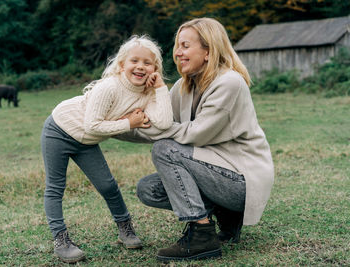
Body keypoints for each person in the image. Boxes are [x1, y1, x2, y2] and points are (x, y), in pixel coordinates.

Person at [117, 18, 274, 262]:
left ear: (209, 51)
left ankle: (202, 234)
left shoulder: (229, 82)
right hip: (214, 171)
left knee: (165, 150)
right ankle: (226, 215)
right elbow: (157, 124)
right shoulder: (183, 85)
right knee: (148, 189)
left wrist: (150, 124)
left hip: (242, 179)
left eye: (185, 46)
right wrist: (114, 127)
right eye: (177, 46)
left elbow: (195, 134)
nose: (177, 53)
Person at [40, 35, 173, 263]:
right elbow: (93, 124)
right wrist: (129, 123)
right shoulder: (109, 87)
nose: (140, 66)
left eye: (147, 63)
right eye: (134, 61)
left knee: (108, 185)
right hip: (59, 129)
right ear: (122, 65)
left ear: (155, 69)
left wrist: (160, 87)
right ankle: (61, 241)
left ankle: (126, 230)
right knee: (56, 187)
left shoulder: (148, 93)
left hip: (87, 142)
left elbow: (164, 122)